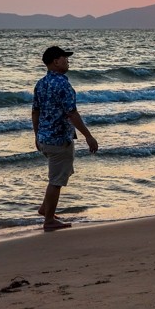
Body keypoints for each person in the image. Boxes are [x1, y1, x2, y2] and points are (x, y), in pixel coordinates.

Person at [32, 46, 98, 231]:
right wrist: (89, 136)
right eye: (64, 58)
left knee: (60, 173)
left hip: (45, 139)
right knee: (56, 180)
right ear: (55, 61)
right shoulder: (62, 84)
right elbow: (72, 113)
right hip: (59, 139)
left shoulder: (41, 83)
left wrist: (37, 135)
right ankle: (49, 221)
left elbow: (35, 111)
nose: (68, 61)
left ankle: (46, 209)